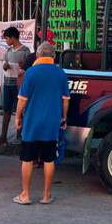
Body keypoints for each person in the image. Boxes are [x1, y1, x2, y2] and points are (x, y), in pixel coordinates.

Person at [13, 42, 70, 205]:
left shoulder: (30, 72)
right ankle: (46, 195)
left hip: (32, 122)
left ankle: (25, 195)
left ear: (37, 56)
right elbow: (66, 100)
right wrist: (63, 117)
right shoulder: (60, 73)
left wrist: (18, 117)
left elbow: (22, 100)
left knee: (28, 159)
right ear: (54, 56)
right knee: (49, 159)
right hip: (51, 123)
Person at [0, 26, 31, 147]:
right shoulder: (8, 51)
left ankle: (20, 135)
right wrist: (5, 66)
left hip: (19, 84)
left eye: (7, 38)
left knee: (20, 110)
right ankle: (3, 136)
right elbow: (4, 67)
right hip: (7, 82)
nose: (6, 41)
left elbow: (29, 68)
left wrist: (23, 65)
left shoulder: (25, 50)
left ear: (13, 37)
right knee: (6, 110)